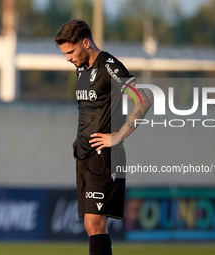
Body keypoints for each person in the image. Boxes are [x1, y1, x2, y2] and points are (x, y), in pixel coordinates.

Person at [54, 20, 152, 255]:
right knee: (92, 226)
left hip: (106, 156)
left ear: (85, 42)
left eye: (70, 52)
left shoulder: (109, 65)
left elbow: (143, 99)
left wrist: (118, 136)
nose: (67, 58)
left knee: (94, 224)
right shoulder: (81, 68)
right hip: (85, 155)